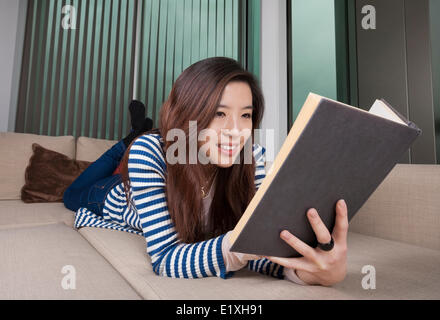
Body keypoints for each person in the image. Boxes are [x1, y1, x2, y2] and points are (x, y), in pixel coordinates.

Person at [63, 57, 348, 286]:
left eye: (245, 115)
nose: (236, 131)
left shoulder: (254, 159)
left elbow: (260, 250)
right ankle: (126, 140)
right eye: (219, 113)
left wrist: (311, 272)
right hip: (109, 196)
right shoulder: (149, 152)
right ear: (188, 114)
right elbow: (165, 259)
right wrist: (237, 246)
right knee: (70, 195)